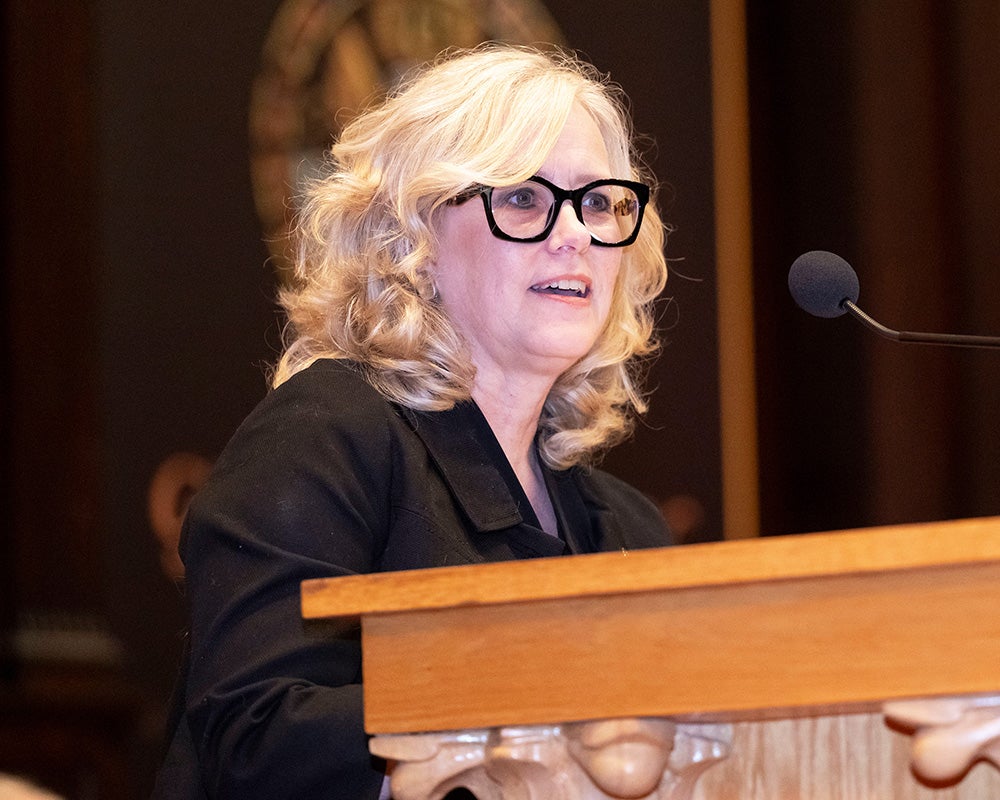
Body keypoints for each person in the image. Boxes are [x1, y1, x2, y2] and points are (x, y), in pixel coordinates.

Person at [153, 44, 672, 799]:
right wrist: (528, 714)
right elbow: (260, 739)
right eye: (525, 197)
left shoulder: (626, 527)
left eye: (601, 203)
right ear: (415, 242)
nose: (577, 234)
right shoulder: (323, 439)